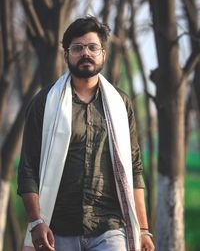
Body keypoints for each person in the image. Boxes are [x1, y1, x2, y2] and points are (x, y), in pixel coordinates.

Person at [17, 16, 154, 251]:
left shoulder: (121, 104)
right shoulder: (44, 103)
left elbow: (134, 167)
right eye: (77, 48)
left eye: (92, 47)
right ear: (66, 55)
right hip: (58, 229)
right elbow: (28, 167)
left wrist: (142, 229)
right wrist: (37, 221)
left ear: (103, 54)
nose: (85, 53)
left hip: (110, 227)